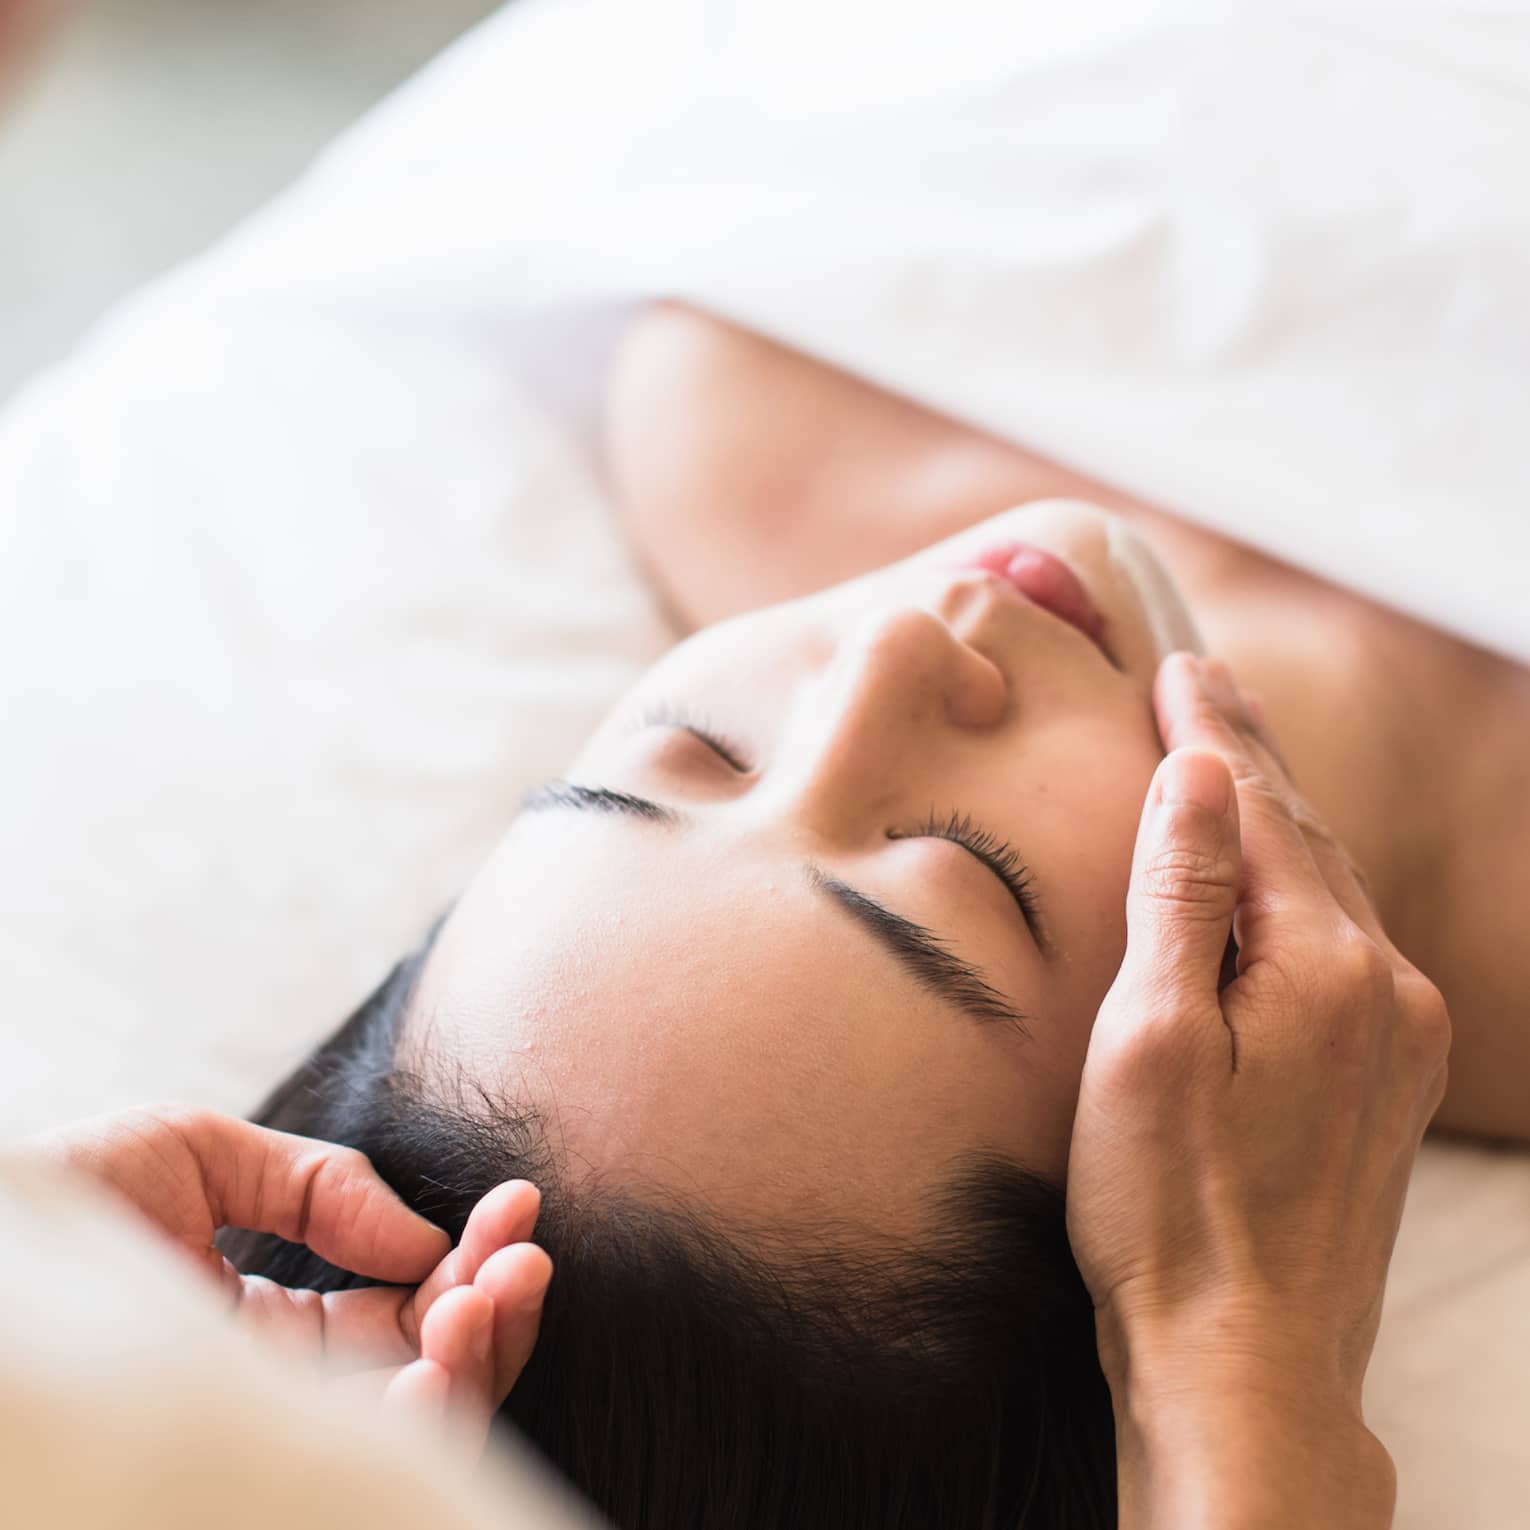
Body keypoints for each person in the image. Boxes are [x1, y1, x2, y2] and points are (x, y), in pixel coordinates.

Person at [216, 294, 1516, 1521]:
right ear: (1248, 1151)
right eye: (968, 870)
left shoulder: (759, 411)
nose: (887, 659)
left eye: (695, 744)